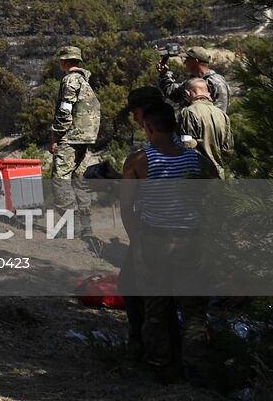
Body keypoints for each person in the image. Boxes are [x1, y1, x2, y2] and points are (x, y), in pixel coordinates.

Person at [120, 99, 206, 383]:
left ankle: (159, 365)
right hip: (190, 240)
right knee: (193, 311)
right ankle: (195, 368)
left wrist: (137, 247)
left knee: (155, 310)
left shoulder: (138, 160)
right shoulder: (196, 159)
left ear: (149, 128)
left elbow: (126, 207)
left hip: (155, 239)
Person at [114, 85, 166, 363]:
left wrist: (136, 243)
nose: (134, 119)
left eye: (135, 113)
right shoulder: (172, 131)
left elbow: (129, 203)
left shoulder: (146, 152)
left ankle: (146, 352)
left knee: (137, 289)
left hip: (155, 230)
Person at [49, 45, 100, 237]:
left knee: (60, 180)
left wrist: (55, 136)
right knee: (79, 180)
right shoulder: (85, 82)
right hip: (86, 138)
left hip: (70, 137)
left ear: (64, 61)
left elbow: (65, 110)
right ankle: (86, 226)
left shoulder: (69, 80)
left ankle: (71, 226)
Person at [177, 77, 232, 180]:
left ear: (187, 93)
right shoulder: (222, 115)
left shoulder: (188, 113)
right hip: (220, 176)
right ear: (208, 93)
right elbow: (227, 149)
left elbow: (187, 143)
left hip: (198, 175)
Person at [159, 46, 232, 113]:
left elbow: (219, 114)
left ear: (195, 61)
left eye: (187, 60)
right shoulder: (192, 81)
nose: (184, 63)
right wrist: (164, 74)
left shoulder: (216, 82)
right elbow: (173, 93)